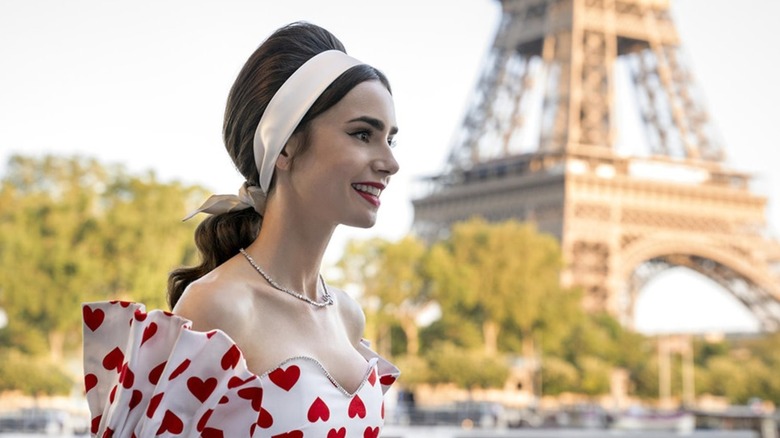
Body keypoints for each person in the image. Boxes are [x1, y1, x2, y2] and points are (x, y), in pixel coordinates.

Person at [82, 21, 400, 437]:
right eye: (362, 134)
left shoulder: (348, 316)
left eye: (391, 140)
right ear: (285, 146)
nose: (390, 163)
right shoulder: (218, 307)